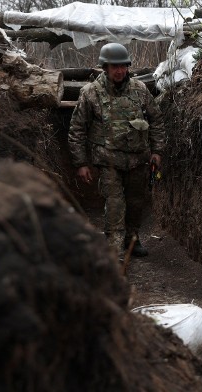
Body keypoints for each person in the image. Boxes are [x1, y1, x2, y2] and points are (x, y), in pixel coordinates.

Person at [69, 42, 166, 259]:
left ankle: (132, 240)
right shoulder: (90, 93)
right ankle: (114, 247)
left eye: (123, 66)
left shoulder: (140, 90)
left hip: (137, 159)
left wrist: (157, 150)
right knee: (114, 203)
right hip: (108, 160)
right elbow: (77, 129)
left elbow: (156, 120)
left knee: (135, 202)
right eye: (115, 67)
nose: (120, 71)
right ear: (105, 68)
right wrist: (81, 163)